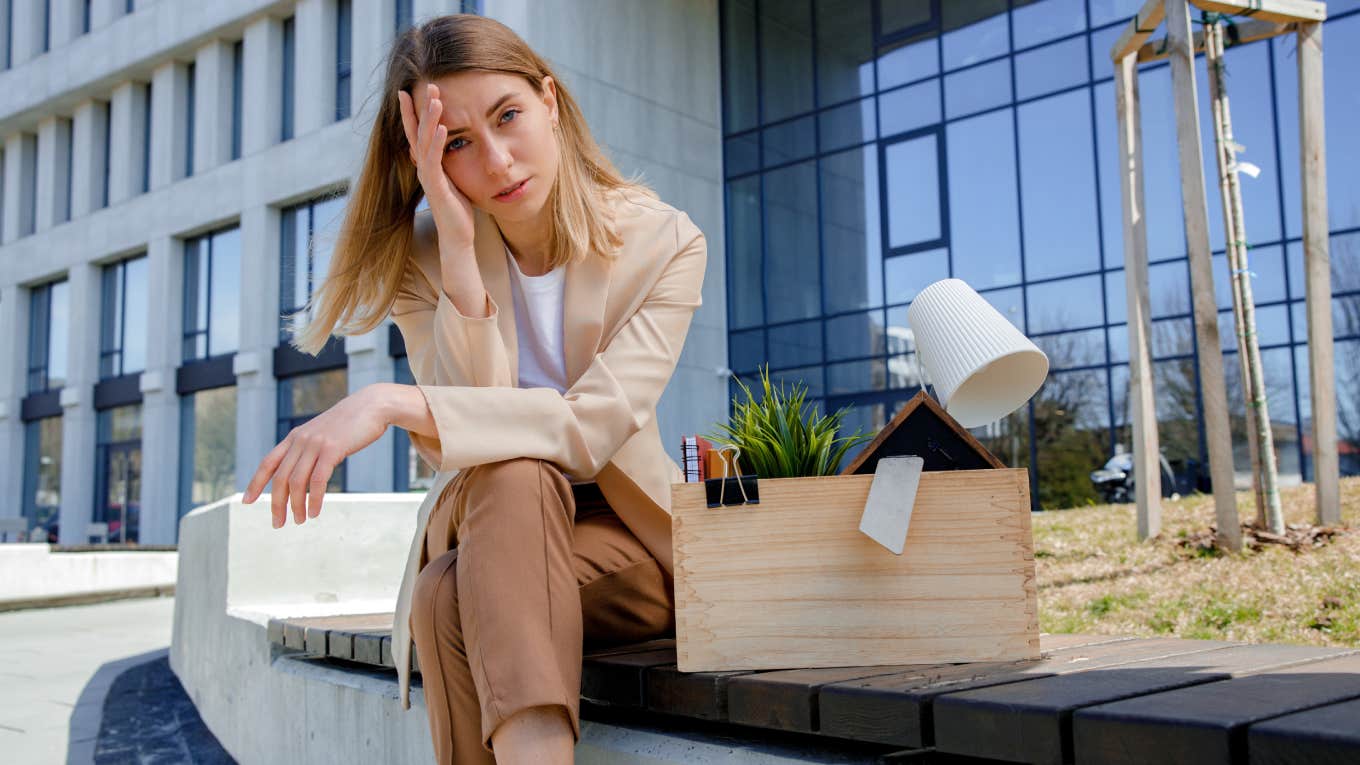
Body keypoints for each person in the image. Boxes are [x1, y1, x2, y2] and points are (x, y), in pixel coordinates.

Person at [240, 14, 707, 765]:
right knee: (513, 474)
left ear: (549, 101)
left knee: (441, 598)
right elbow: (480, 429)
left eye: (507, 117)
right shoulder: (420, 262)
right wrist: (458, 252)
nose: (495, 159)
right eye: (456, 142)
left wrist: (390, 402)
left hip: (625, 537)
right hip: (492, 508)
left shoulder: (666, 243)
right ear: (428, 159)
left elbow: (591, 428)